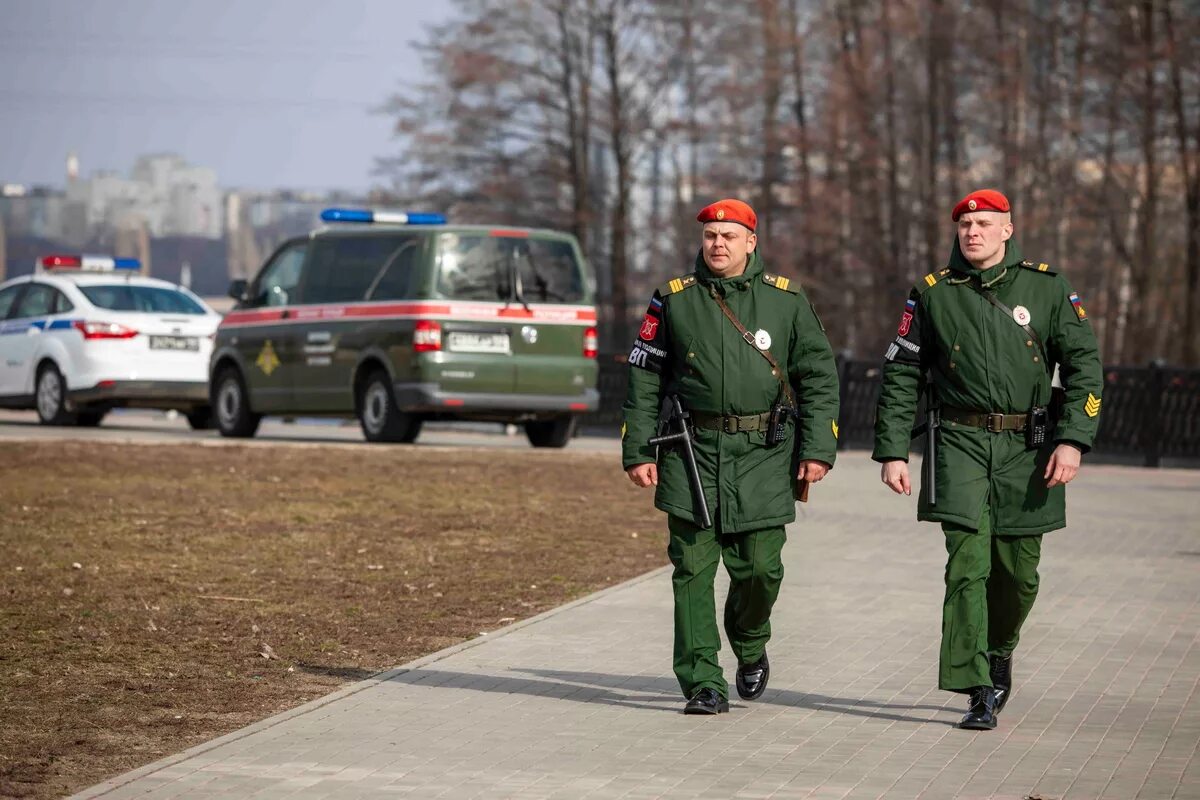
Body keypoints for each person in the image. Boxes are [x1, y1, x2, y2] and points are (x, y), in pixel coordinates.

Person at [872, 189, 1103, 730]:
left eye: (983, 223)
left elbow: (1084, 367)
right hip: (959, 443)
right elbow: (902, 372)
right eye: (964, 224)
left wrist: (1073, 439)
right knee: (966, 568)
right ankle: (975, 685)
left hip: (1029, 448)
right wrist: (892, 450)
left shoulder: (1047, 287)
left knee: (1018, 574)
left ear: (1007, 229)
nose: (972, 232)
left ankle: (1001, 646)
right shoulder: (932, 293)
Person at [622, 198, 840, 715]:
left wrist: (817, 448)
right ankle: (702, 681)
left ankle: (749, 640)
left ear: (751, 242)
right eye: (710, 236)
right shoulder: (673, 300)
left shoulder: (786, 301)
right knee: (692, 569)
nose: (717, 244)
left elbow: (819, 378)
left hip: (764, 454)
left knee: (760, 570)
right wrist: (637, 449)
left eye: (728, 236)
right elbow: (643, 377)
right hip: (690, 452)